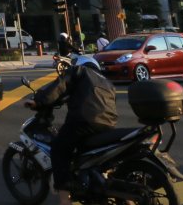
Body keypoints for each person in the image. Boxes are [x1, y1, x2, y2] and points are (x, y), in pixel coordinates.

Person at [27, 54, 118, 205]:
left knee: (59, 149)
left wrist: (38, 101)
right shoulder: (107, 82)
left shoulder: (79, 71)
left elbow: (59, 86)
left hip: (83, 122)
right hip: (108, 125)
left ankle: (64, 200)